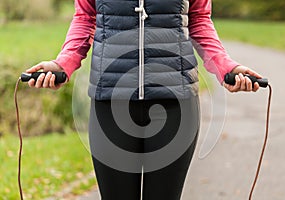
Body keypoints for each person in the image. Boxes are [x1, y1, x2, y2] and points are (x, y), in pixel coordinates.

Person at [26, 0, 262, 199]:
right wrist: (63, 64)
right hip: (110, 101)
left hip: (175, 104)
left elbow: (199, 20)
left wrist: (227, 67)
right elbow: (86, 18)